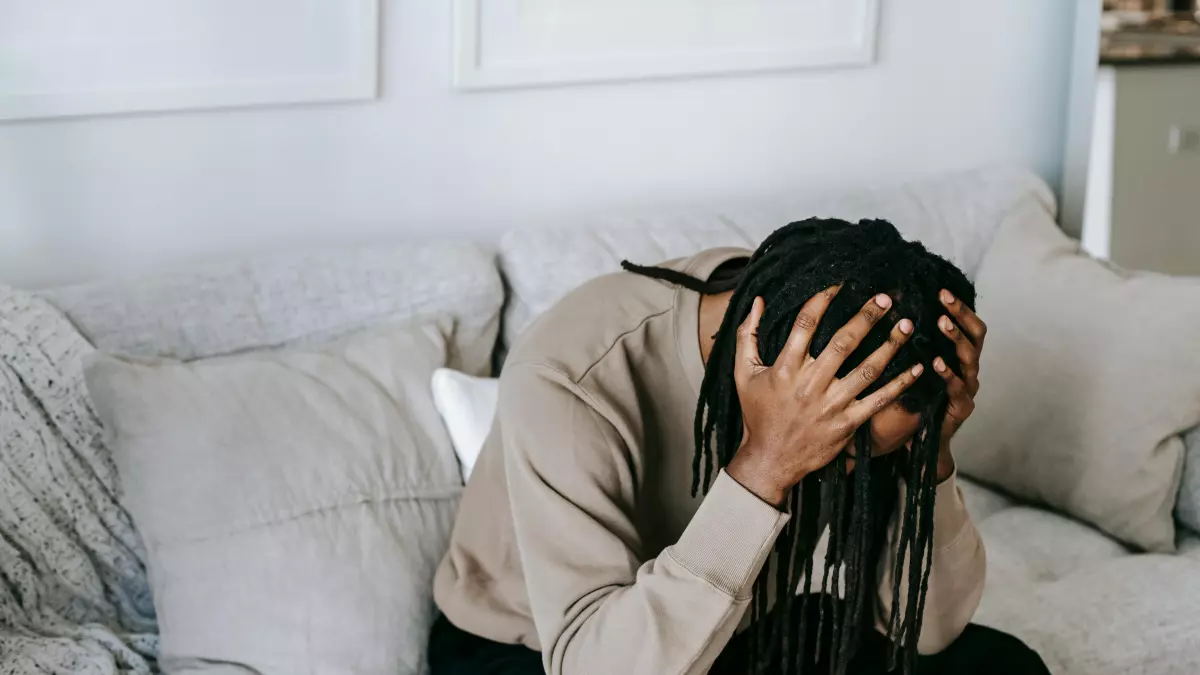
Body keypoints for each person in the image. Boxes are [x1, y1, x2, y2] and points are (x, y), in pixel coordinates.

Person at [429, 218, 1050, 675]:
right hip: (534, 648)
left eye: (875, 455)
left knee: (999, 668)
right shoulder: (573, 374)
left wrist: (927, 457)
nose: (850, 474)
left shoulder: (831, 323)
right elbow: (593, 664)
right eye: (849, 449)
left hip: (735, 624)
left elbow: (927, 631)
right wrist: (765, 464)